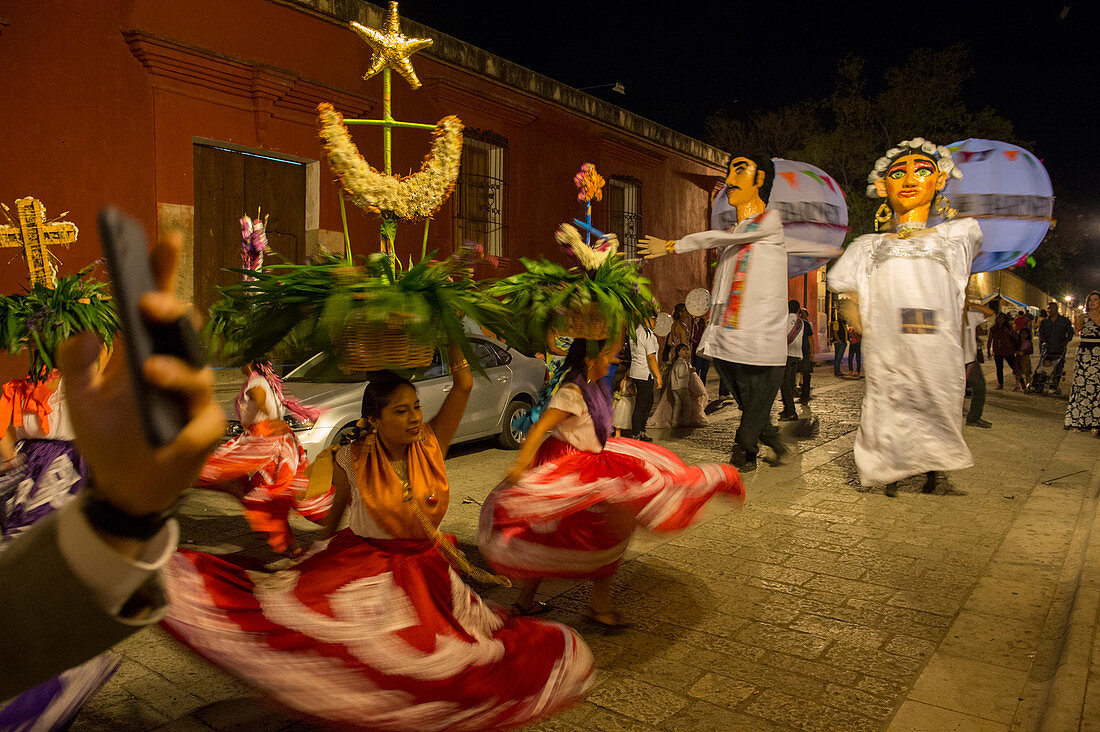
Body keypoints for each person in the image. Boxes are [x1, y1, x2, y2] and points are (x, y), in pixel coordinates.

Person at [163, 347, 595, 729]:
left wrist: (448, 323)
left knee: (443, 661)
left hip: (424, 570)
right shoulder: (352, 456)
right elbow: (341, 508)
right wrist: (317, 548)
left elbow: (463, 385)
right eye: (401, 411)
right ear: (374, 420)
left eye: (416, 407)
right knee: (348, 649)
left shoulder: (431, 442)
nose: (414, 417)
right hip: (365, 563)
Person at [0, 232, 225, 701]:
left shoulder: (82, 395)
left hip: (70, 471)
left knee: (54, 543)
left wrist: (123, 512)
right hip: (39, 473)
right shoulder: (22, 392)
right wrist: (14, 473)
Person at [480, 338, 742, 627]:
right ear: (591, 360)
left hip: (591, 463)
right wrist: (521, 465)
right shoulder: (572, 392)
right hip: (569, 468)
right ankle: (588, 606)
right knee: (590, 535)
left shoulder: (592, 384)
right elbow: (540, 425)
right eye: (607, 355)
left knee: (570, 535)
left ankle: (548, 602)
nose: (612, 360)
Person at [639, 154, 838, 470]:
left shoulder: (768, 222)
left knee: (755, 406)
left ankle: (745, 451)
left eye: (740, 169)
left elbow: (720, 236)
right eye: (729, 170)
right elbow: (722, 284)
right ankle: (774, 440)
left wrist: (673, 245)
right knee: (750, 406)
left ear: (759, 180)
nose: (730, 179)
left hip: (762, 341)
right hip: (726, 341)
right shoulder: (736, 235)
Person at [827, 137, 981, 495]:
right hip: (888, 346)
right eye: (899, 173)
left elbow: (956, 293)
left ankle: (933, 468)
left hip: (935, 345)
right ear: (882, 187)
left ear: (939, 180)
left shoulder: (955, 236)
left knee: (936, 403)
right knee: (888, 404)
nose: (910, 178)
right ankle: (889, 468)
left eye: (922, 170)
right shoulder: (868, 246)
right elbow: (846, 292)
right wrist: (859, 322)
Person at [196, 360, 330, 557]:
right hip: (279, 438)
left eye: (239, 362)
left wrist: (260, 420)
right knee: (276, 492)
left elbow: (258, 401)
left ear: (249, 363)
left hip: (266, 439)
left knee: (267, 493)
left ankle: (294, 543)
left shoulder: (255, 383)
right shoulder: (265, 381)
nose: (238, 367)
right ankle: (294, 543)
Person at [649, 343, 708, 428]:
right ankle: (686, 421)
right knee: (687, 404)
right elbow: (681, 374)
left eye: (687, 350)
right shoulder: (682, 363)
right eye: (684, 350)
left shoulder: (677, 362)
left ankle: (674, 422)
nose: (686, 352)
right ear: (678, 352)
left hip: (675, 387)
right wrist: (690, 371)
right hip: (681, 386)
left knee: (678, 404)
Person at [1065, 291, 1100, 433]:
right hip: (1085, 354)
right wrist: (1077, 313)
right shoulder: (1084, 317)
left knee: (1097, 388)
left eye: (1096, 300)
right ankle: (1079, 420)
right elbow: (1078, 328)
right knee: (1082, 386)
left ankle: (1095, 423)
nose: (1092, 302)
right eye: (1090, 300)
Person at [628, 320, 661, 441]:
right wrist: (658, 375)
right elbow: (651, 357)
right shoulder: (646, 333)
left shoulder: (636, 332)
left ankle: (640, 431)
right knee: (642, 404)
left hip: (637, 371)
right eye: (654, 318)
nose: (656, 322)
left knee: (647, 402)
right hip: (645, 373)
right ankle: (637, 434)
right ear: (646, 319)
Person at [964, 302, 993, 428]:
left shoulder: (968, 316)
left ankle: (973, 418)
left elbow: (990, 312)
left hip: (969, 360)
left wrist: (969, 304)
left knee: (979, 388)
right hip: (956, 360)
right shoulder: (949, 316)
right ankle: (972, 418)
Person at [1039, 301, 1075, 390]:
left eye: (1050, 308)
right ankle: (1041, 383)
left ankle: (1055, 384)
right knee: (1045, 365)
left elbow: (1070, 332)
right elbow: (1041, 333)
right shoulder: (1045, 322)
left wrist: (1066, 341)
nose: (1049, 310)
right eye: (1048, 308)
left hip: (1059, 347)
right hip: (1048, 348)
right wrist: (1044, 342)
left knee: (1059, 366)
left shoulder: (1064, 321)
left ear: (1055, 309)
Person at [778, 299, 803, 421]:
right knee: (790, 383)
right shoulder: (801, 322)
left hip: (787, 354)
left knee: (784, 383)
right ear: (798, 310)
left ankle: (790, 411)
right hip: (797, 355)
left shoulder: (785, 320)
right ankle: (788, 408)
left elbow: (783, 336)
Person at [987, 312, 1024, 390]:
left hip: (1008, 350)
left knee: (1014, 367)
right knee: (999, 368)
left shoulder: (1008, 328)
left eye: (1002, 318)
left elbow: (1015, 337)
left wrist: (1009, 332)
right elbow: (990, 339)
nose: (1000, 320)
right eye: (999, 318)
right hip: (998, 350)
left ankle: (1022, 382)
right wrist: (988, 350)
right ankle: (1000, 383)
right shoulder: (993, 328)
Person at [798, 308, 814, 404]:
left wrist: (812, 353)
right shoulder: (800, 323)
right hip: (799, 351)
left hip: (804, 351)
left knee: (806, 373)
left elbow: (810, 339)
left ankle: (805, 394)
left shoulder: (807, 324)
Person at [1017, 313, 1034, 384]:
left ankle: (1028, 384)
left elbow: (1031, 351)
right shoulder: (1018, 342)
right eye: (1022, 333)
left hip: (1026, 359)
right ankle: (1018, 385)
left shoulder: (1028, 342)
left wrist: (1024, 352)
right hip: (1018, 359)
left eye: (1025, 333)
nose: (1023, 335)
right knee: (1018, 372)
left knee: (1027, 373)